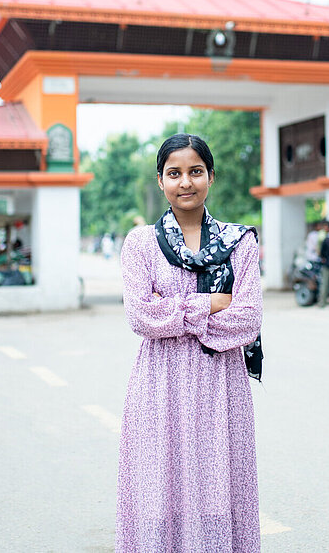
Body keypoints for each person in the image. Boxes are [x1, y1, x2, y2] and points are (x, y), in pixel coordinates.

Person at [116, 133, 263, 553]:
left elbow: (247, 320)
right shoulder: (140, 243)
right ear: (160, 181)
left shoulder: (240, 243)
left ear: (211, 177)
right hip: (159, 383)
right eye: (174, 173)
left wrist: (174, 310)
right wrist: (212, 304)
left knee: (220, 488)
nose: (186, 182)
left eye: (195, 171)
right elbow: (141, 317)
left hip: (221, 384)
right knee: (158, 490)